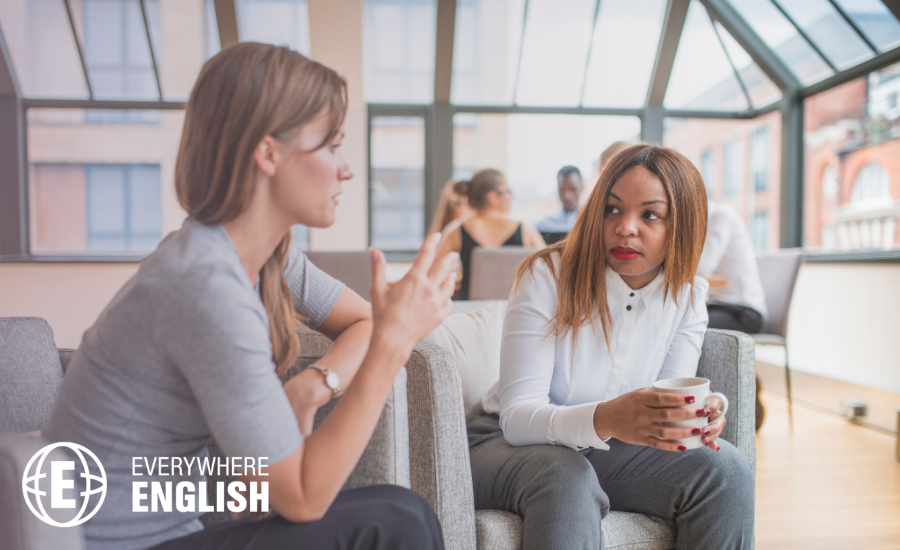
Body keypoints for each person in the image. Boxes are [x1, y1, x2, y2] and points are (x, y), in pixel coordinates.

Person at [42, 43, 454, 550]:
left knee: (403, 506)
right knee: (395, 525)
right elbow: (301, 497)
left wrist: (312, 387)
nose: (345, 168)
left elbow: (362, 323)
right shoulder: (205, 284)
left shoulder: (264, 258)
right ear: (268, 153)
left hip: (180, 532)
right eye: (330, 146)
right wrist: (393, 346)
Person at [467, 144, 754, 550]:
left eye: (650, 215)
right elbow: (517, 418)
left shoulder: (688, 297)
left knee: (726, 469)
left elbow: (665, 402)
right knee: (565, 472)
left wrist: (699, 413)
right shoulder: (547, 275)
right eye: (613, 209)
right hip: (506, 443)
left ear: (682, 226)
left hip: (611, 448)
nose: (625, 227)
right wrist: (607, 419)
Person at [435, 168, 545, 300]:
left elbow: (432, 275)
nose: (511, 196)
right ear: (492, 197)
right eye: (508, 191)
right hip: (515, 312)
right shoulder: (525, 230)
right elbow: (549, 272)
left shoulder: (456, 230)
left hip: (471, 313)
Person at [697, 201, 768, 334]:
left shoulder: (723, 217)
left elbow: (703, 268)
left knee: (692, 327)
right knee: (680, 319)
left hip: (743, 311)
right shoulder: (705, 224)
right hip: (718, 306)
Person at [534, 166, 583, 237]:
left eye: (573, 189)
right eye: (562, 190)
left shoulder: (592, 219)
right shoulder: (544, 223)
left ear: (581, 187)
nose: (567, 196)